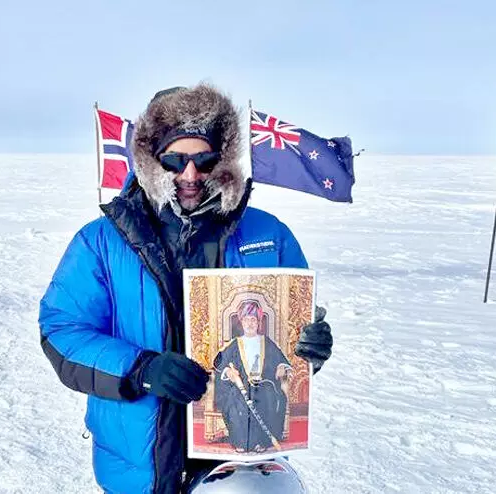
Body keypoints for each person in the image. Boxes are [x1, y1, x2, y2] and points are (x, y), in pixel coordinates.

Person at [38, 82, 334, 494]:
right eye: (175, 161)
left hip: (241, 463)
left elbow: (292, 337)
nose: (190, 175)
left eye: (204, 159)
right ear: (149, 160)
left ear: (223, 160)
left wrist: (310, 349)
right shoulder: (100, 241)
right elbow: (62, 332)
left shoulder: (270, 235)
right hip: (140, 467)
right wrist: (141, 370)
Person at [213, 300, 292, 453]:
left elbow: (281, 359)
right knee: (235, 403)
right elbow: (219, 363)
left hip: (263, 384)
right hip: (240, 386)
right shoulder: (235, 343)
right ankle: (241, 441)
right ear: (241, 322)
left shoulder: (266, 342)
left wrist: (281, 366)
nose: (250, 323)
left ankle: (260, 442)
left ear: (258, 322)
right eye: (246, 320)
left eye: (253, 319)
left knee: (268, 399)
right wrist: (228, 373)